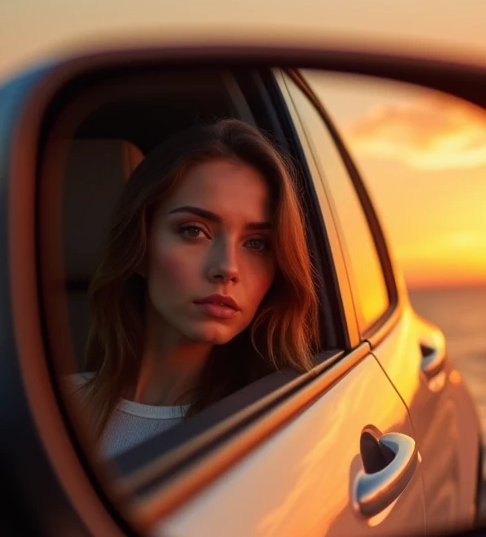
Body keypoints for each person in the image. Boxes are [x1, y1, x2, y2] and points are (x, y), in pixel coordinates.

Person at [69, 118, 319, 460]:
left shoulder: (280, 428)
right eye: (193, 231)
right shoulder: (51, 404)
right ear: (140, 247)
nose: (227, 268)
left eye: (257, 243)